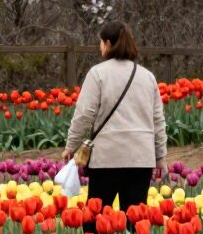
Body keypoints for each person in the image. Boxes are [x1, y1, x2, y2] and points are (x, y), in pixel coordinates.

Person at [63, 20, 166, 214]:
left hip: (106, 158)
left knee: (94, 219)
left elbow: (84, 114)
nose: (100, 46)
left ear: (108, 43)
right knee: (135, 221)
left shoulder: (97, 74)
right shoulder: (147, 77)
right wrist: (160, 156)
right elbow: (158, 122)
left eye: (101, 42)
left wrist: (71, 146)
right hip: (140, 159)